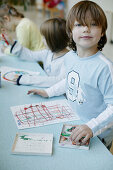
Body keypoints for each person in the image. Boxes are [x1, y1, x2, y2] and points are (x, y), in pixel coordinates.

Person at [28, 1, 113, 150]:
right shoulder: (69, 57)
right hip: (74, 121)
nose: (86, 29)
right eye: (79, 25)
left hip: (98, 133)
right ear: (70, 31)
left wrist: (91, 126)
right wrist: (49, 92)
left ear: (103, 32)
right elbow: (70, 81)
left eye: (93, 24)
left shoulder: (105, 68)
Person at [7, 17, 69, 87]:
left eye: (44, 38)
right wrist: (12, 43)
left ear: (54, 40)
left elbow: (57, 81)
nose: (42, 41)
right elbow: (30, 55)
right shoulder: (48, 53)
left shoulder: (68, 59)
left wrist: (26, 79)